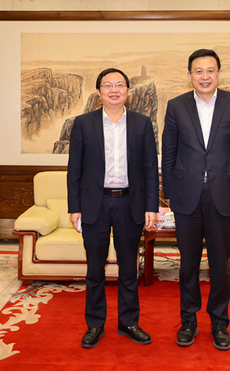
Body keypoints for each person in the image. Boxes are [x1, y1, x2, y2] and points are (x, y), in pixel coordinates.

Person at [161, 49, 230, 351]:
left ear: (219, 73)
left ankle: (219, 322)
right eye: (198, 71)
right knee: (187, 264)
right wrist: (169, 192)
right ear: (189, 75)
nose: (204, 76)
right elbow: (169, 151)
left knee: (219, 264)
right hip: (186, 195)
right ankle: (188, 321)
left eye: (210, 70)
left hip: (222, 194)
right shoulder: (176, 106)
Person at [67, 68, 159, 349]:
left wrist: (151, 206)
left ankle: (128, 322)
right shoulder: (83, 124)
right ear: (99, 92)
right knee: (95, 269)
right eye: (108, 85)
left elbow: (150, 169)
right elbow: (74, 170)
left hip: (130, 203)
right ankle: (95, 324)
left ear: (128, 91)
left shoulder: (142, 123)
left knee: (129, 268)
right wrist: (74, 207)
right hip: (94, 204)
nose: (114, 90)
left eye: (120, 85)